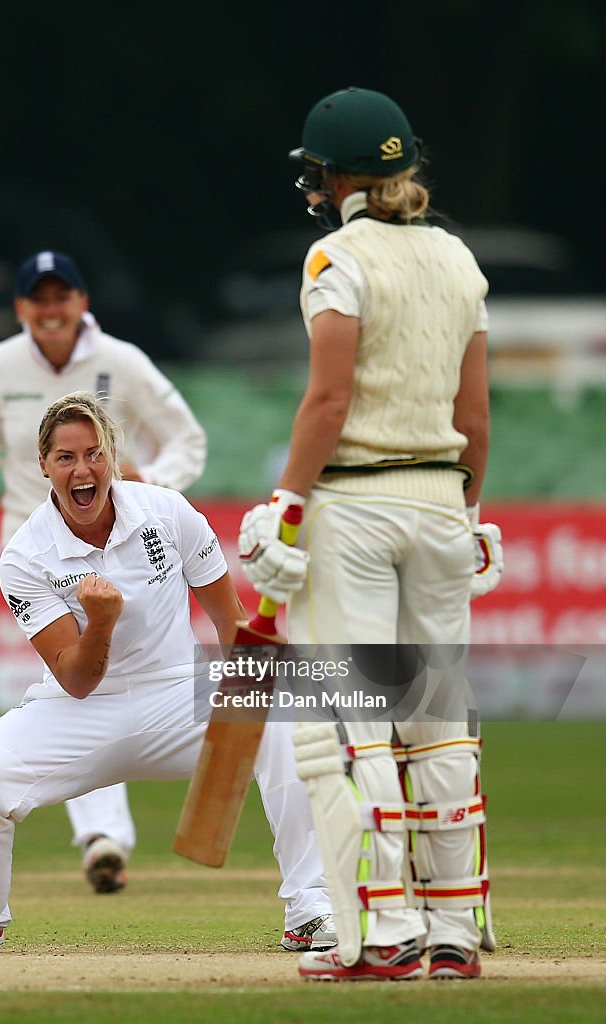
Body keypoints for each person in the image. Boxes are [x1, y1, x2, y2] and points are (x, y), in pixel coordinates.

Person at [238, 87, 502, 982]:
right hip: (440, 501)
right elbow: (475, 416)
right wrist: (469, 516)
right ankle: (454, 931)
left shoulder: (335, 258)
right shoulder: (459, 259)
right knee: (439, 721)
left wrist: (285, 504)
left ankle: (383, 933)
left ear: (334, 177)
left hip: (353, 504)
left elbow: (329, 400)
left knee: (353, 723)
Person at [0, 391, 333, 953]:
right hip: (82, 709)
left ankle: (311, 908)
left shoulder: (169, 511)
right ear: (43, 466)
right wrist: (101, 623)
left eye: (94, 454)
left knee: (285, 717)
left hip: (182, 693)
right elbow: (76, 679)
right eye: (66, 458)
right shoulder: (24, 555)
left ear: (112, 456)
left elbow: (231, 622)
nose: (82, 469)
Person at [0, 251, 208, 895]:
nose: (51, 310)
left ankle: (102, 833)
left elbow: (188, 440)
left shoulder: (123, 361)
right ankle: (102, 834)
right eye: (39, 299)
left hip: (123, 537)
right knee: (79, 677)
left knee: (106, 676)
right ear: (21, 308)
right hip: (38, 554)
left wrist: (151, 483)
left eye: (62, 297)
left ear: (82, 303)